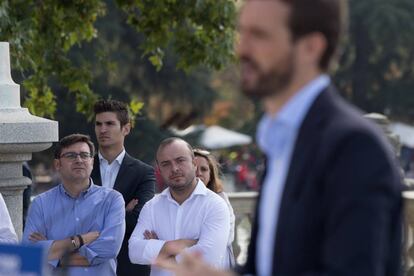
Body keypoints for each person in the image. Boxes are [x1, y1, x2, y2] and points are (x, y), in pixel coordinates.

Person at [156, 0, 403, 275]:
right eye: (242, 33)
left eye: (259, 35)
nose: (241, 49)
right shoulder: (282, 140)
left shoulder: (355, 146)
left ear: (311, 47)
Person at [23, 134, 125, 276]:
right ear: (57, 164)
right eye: (71, 156)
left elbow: (108, 250)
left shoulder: (112, 200)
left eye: (84, 155)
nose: (79, 160)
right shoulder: (41, 203)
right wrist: (78, 240)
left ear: (92, 162)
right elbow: (30, 253)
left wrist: (54, 254)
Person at [129, 137, 230, 276]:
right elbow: (134, 252)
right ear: (159, 169)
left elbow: (207, 260)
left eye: (180, 160)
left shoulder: (215, 205)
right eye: (166, 164)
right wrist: (179, 245)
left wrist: (159, 248)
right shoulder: (151, 207)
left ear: (194, 163)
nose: (174, 168)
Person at [91, 99, 156, 276]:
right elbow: (75, 218)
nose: (102, 129)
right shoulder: (83, 168)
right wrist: (121, 213)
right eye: (98, 124)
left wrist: (93, 221)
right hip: (86, 264)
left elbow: (139, 221)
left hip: (128, 267)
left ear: (126, 129)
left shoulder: (144, 173)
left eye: (110, 124)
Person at [193, 148, 236, 268]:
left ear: (210, 174)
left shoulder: (221, 199)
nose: (199, 173)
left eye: (204, 169)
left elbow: (226, 237)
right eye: (194, 167)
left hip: (217, 265)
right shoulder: (177, 200)